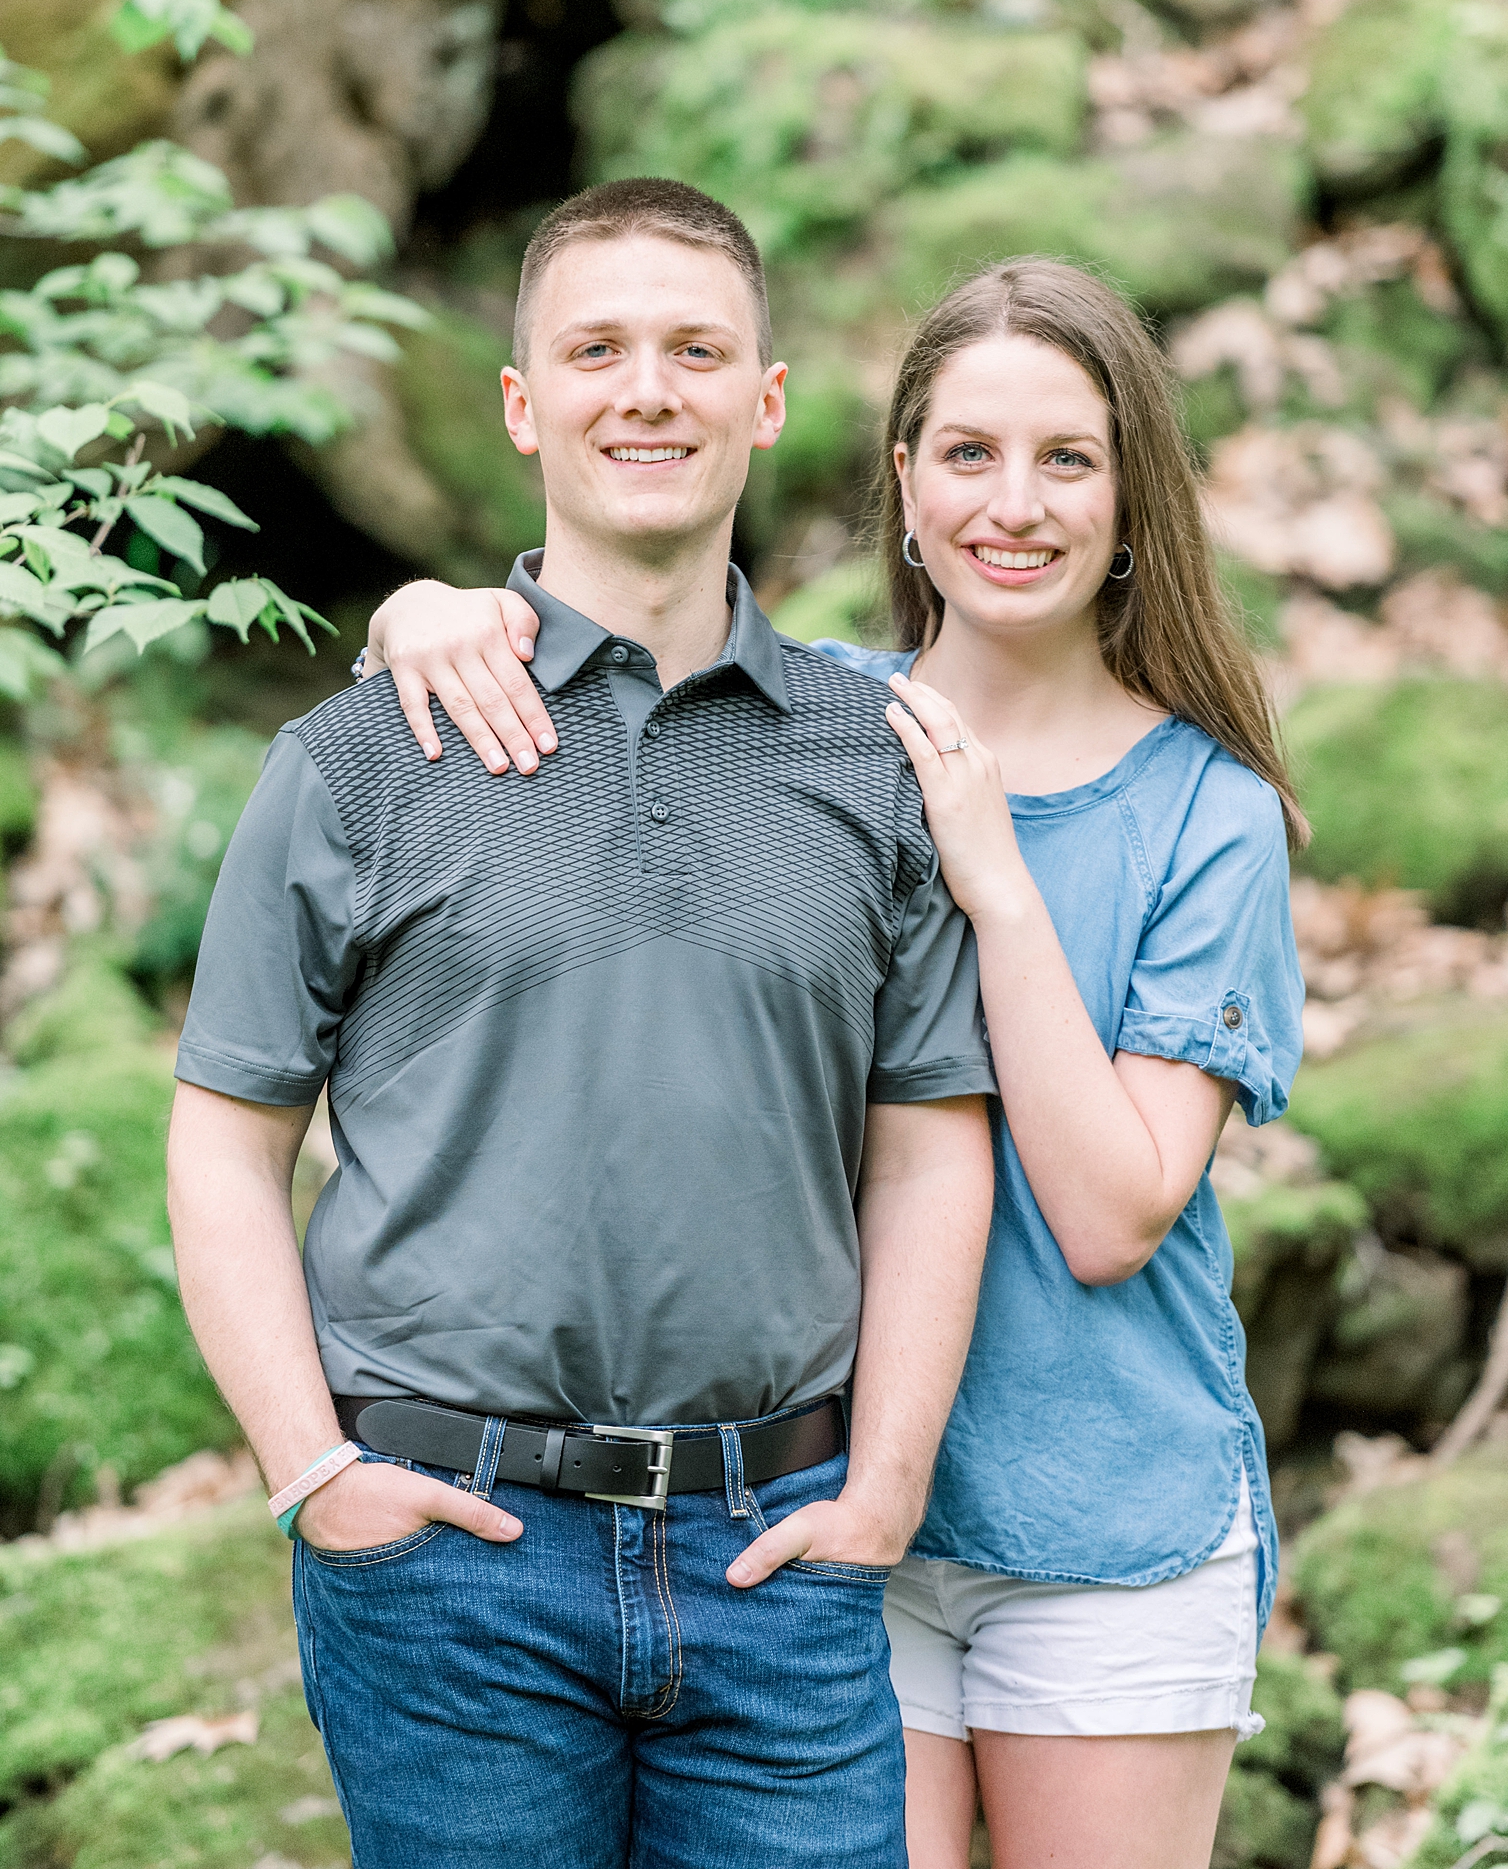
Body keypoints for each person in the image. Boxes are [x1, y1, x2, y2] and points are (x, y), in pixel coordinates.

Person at [366, 254, 1308, 1869]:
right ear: (902, 483)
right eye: (967, 454)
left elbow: (1109, 1214)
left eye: (1066, 459)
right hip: (810, 1530)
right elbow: (607, 644)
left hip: (1103, 1523)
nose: (1013, 504)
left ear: (1132, 494)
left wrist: (992, 879)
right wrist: (428, 611)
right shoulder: (809, 721)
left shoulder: (1205, 814)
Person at [166, 177, 999, 1869]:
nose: (648, 390)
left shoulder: (871, 753)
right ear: (523, 404)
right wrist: (316, 1477)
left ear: (763, 400)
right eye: (596, 349)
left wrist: (885, 1491)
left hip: (781, 1559)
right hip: (452, 1562)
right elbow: (223, 1136)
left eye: (695, 350)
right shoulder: (363, 757)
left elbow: (925, 1151)